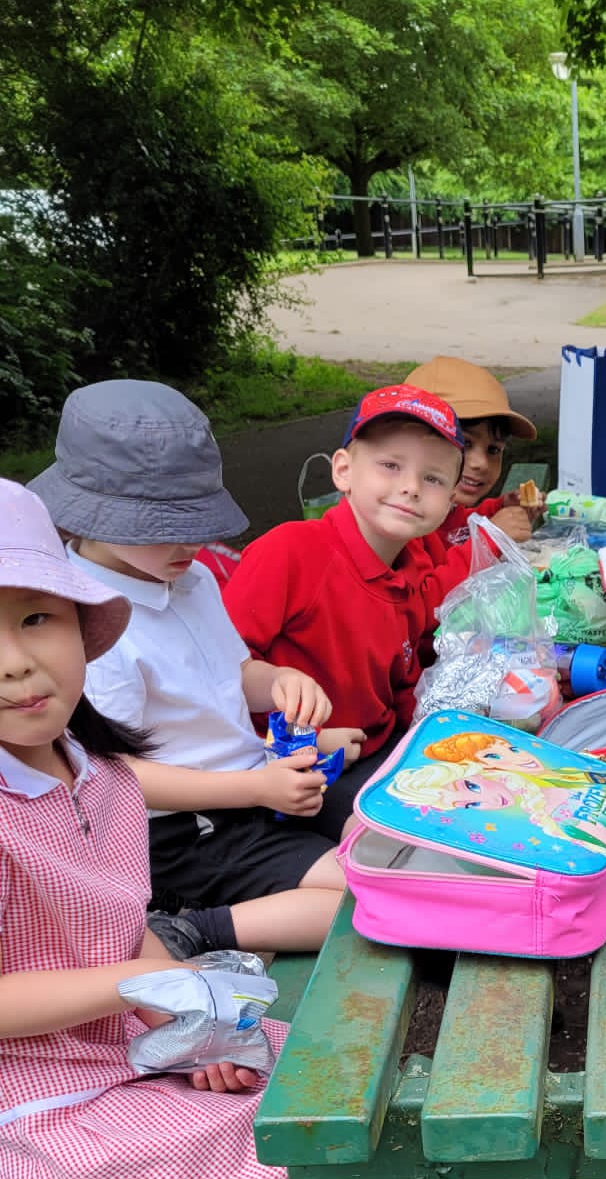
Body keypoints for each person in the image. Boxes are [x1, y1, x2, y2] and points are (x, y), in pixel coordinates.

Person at [0, 479, 606, 1179]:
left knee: (335, 1079)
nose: (15, 661)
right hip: (41, 1110)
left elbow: (122, 930)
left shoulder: (96, 774)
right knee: (299, 1134)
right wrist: (149, 991)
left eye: (36, 619)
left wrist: (191, 1028)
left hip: (125, 1036)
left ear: (80, 624)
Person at [33, 380, 357, 960]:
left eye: (197, 519)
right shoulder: (89, 619)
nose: (191, 541)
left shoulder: (194, 577)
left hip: (254, 790)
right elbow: (112, 775)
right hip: (181, 828)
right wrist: (253, 787)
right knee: (362, 900)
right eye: (163, 526)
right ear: (92, 516)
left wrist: (281, 681)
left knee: (390, 847)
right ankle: (188, 929)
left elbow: (236, 673)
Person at [224, 383, 465, 834]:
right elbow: (217, 676)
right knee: (406, 841)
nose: (411, 487)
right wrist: (310, 741)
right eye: (390, 466)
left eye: (433, 478)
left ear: (451, 501)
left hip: (382, 751)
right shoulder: (290, 552)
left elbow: (401, 681)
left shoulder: (410, 569)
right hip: (291, 770)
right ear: (343, 471)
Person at [407, 354, 539, 553]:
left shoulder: (446, 506)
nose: (481, 463)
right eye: (465, 443)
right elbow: (431, 576)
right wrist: (490, 538)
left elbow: (456, 529)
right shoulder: (404, 520)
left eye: (493, 449)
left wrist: (500, 508)